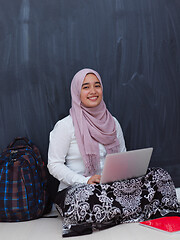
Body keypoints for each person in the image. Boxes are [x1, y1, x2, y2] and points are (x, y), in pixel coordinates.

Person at [48, 68, 180, 237]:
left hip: (111, 187)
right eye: (86, 87)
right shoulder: (65, 126)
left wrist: (126, 176)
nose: (93, 91)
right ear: (77, 92)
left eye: (97, 86)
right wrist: (85, 180)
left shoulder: (113, 122)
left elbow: (122, 156)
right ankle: (129, 209)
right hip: (80, 189)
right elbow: (54, 165)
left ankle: (117, 212)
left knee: (158, 175)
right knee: (85, 197)